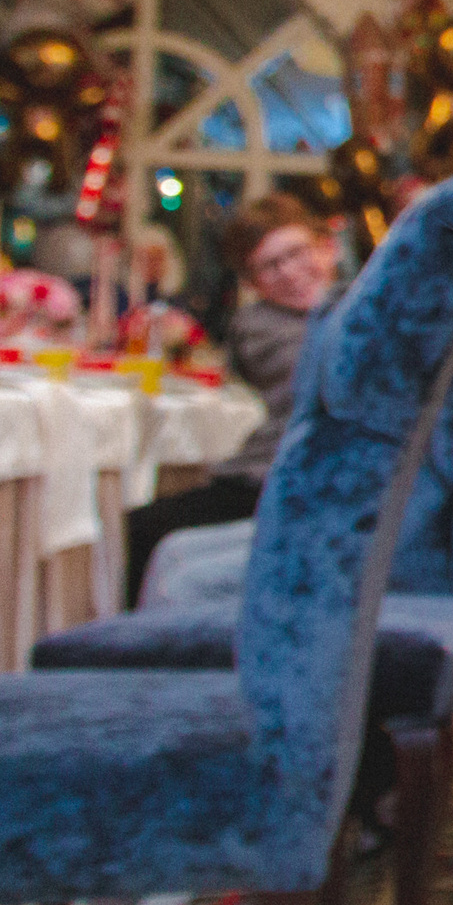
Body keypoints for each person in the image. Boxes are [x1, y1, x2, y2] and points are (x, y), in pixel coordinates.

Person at [121, 193, 337, 606]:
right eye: (270, 266)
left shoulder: (351, 310)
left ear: (325, 246)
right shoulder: (260, 326)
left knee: (157, 538)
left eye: (296, 252)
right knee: (148, 532)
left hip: (304, 480)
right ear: (253, 283)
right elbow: (318, 368)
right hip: (265, 476)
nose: (290, 272)